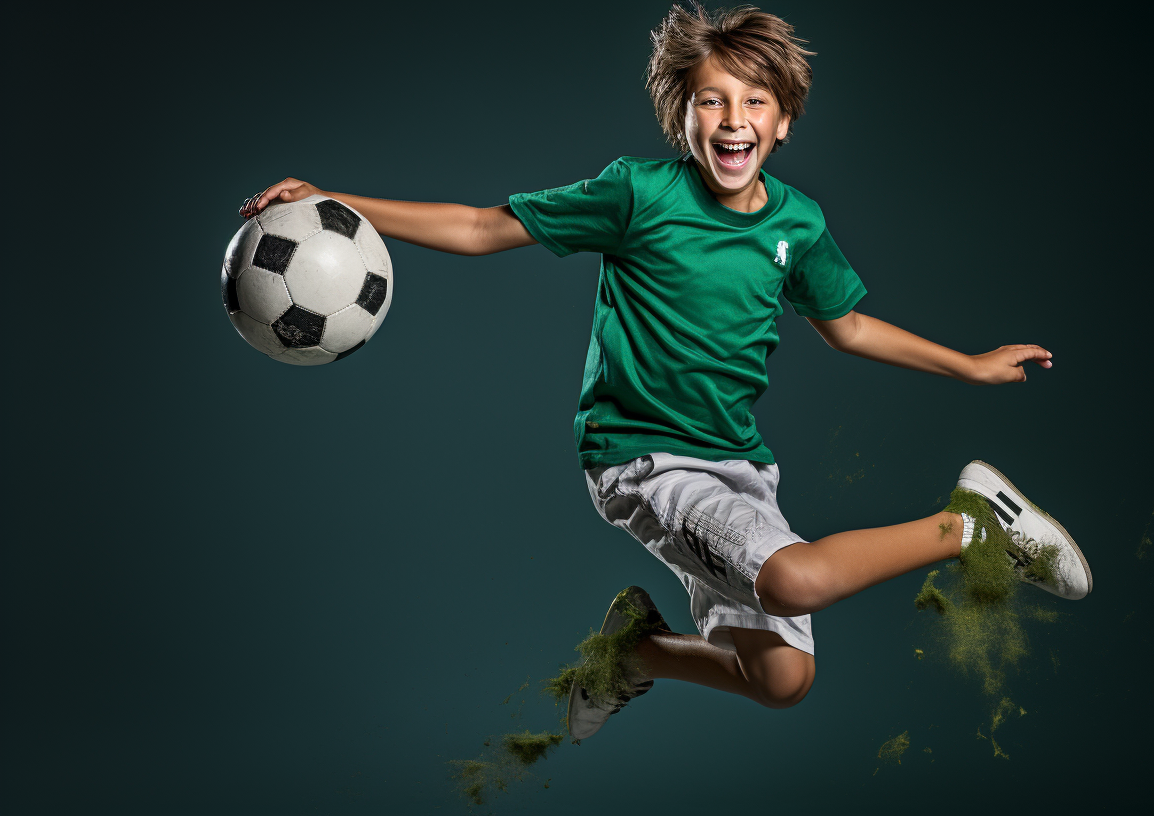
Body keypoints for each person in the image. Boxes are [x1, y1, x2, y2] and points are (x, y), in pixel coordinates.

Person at [238, 3, 1092, 741]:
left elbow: (851, 326)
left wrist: (970, 368)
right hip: (645, 462)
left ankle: (633, 652)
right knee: (797, 576)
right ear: (679, 116)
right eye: (710, 100)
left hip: (740, 468)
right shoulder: (638, 195)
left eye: (754, 101)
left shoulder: (798, 223)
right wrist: (338, 203)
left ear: (784, 120)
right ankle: (972, 522)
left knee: (783, 682)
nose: (732, 118)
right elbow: (481, 225)